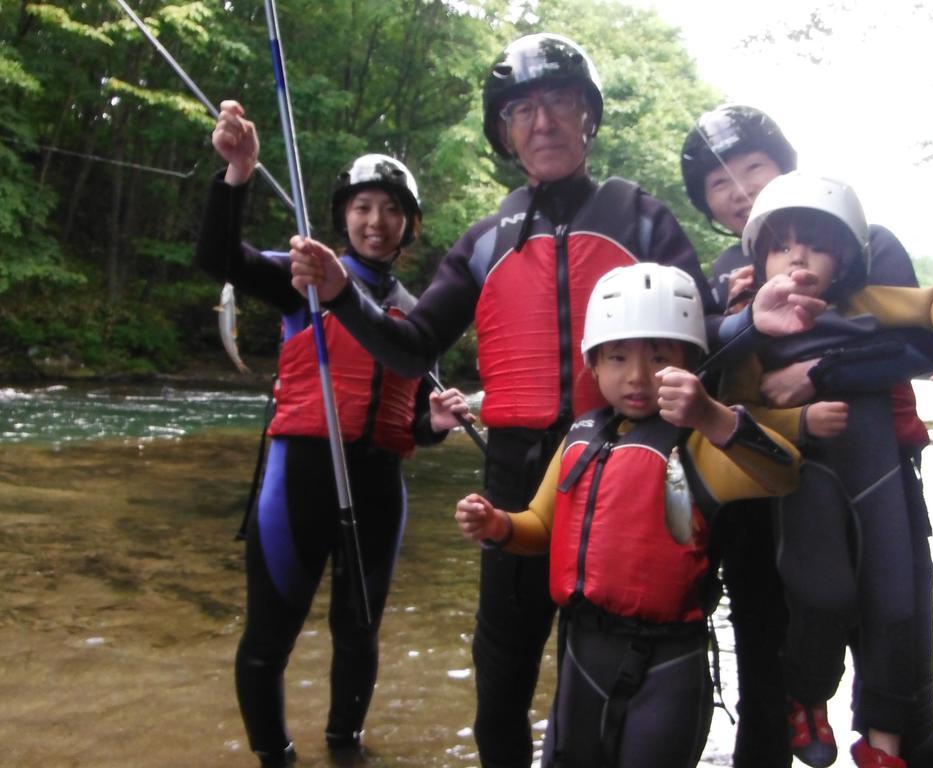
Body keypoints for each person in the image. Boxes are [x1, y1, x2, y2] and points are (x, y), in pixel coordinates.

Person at [288, 34, 719, 768]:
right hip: (518, 477)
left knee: (608, 683)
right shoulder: (488, 240)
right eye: (521, 109)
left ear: (588, 117)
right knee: (501, 688)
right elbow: (414, 344)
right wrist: (341, 295)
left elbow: (705, 335)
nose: (542, 121)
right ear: (504, 132)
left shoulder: (643, 222)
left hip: (629, 476)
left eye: (559, 103)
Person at [680, 104, 933, 768]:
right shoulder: (725, 269)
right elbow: (708, 374)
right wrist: (741, 317)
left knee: (900, 663)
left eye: (754, 168)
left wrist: (821, 371)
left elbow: (919, 346)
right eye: (719, 184)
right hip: (760, 488)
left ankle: (896, 742)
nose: (739, 190)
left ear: (786, 167)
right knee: (770, 688)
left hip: (879, 472)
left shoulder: (864, 243)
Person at [196, 100, 474, 767]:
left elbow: (407, 416)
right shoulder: (305, 280)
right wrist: (237, 175)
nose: (375, 223)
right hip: (298, 483)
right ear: (343, 216)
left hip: (378, 488)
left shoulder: (415, 317)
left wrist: (431, 426)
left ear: (409, 226)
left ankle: (347, 751)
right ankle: (275, 757)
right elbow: (217, 258)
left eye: (390, 211)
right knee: (269, 638)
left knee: (358, 634)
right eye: (362, 208)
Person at [454, 262, 802, 768]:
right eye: (617, 357)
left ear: (690, 362)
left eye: (659, 357)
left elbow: (785, 473)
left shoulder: (702, 444)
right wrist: (498, 527)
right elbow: (543, 527)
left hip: (669, 662)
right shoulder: (581, 438)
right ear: (593, 365)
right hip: (582, 651)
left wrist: (711, 415)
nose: (637, 376)